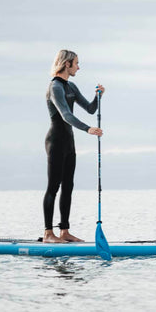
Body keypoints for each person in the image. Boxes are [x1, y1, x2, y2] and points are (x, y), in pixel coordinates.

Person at [43, 50, 105, 243]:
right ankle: (48, 233)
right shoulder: (55, 87)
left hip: (69, 143)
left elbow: (90, 108)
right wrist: (88, 129)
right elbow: (65, 115)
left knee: (68, 187)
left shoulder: (71, 86)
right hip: (56, 141)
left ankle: (64, 231)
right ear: (67, 64)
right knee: (54, 187)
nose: (79, 66)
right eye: (76, 63)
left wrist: (98, 96)